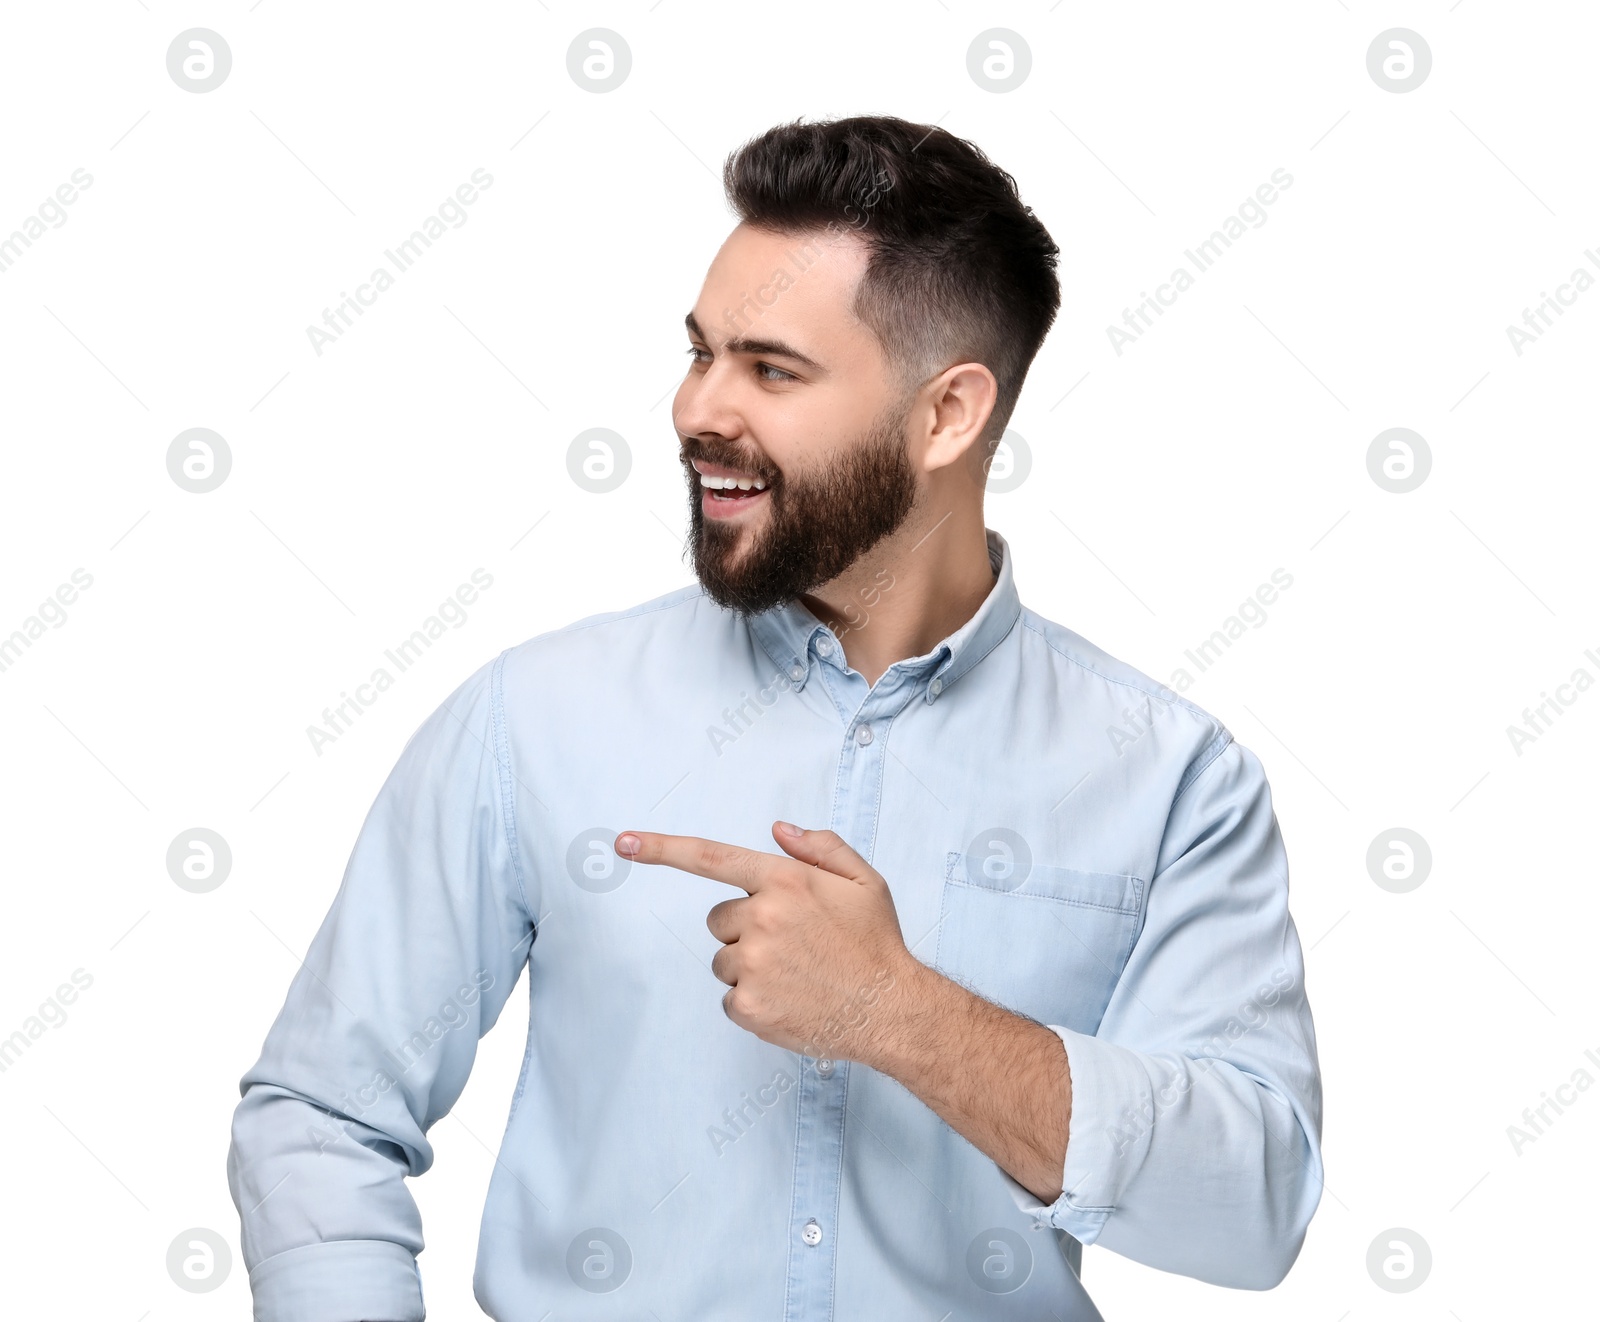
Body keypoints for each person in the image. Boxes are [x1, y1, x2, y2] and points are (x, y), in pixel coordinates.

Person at [228, 114, 1323, 1321]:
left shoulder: (1168, 777)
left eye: (771, 369)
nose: (698, 409)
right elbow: (323, 1112)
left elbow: (1255, 1204)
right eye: (700, 354)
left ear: (948, 415)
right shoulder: (532, 718)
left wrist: (899, 1012)